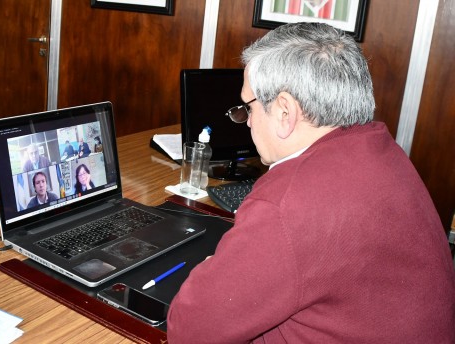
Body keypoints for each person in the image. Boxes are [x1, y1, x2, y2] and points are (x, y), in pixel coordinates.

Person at [167, 23, 455, 343]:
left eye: (247, 108)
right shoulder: (383, 151)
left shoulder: (288, 202)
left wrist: (211, 273)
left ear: (285, 112)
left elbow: (190, 330)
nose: (247, 121)